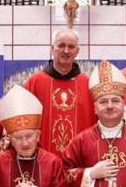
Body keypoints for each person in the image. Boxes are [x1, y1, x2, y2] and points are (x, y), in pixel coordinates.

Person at [24, 28, 96, 157]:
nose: (66, 51)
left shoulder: (89, 85)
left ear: (77, 51)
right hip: (41, 160)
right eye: (61, 45)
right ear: (52, 49)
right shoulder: (34, 82)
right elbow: (23, 123)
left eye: (71, 47)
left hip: (80, 161)